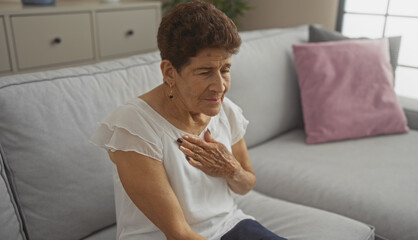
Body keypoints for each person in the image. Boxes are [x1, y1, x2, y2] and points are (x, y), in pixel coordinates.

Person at [90, 1, 287, 240]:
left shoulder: (226, 111)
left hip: (228, 226)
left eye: (225, 69)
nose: (220, 86)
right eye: (205, 72)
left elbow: (245, 185)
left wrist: (231, 169)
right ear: (170, 73)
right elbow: (178, 233)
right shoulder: (134, 127)